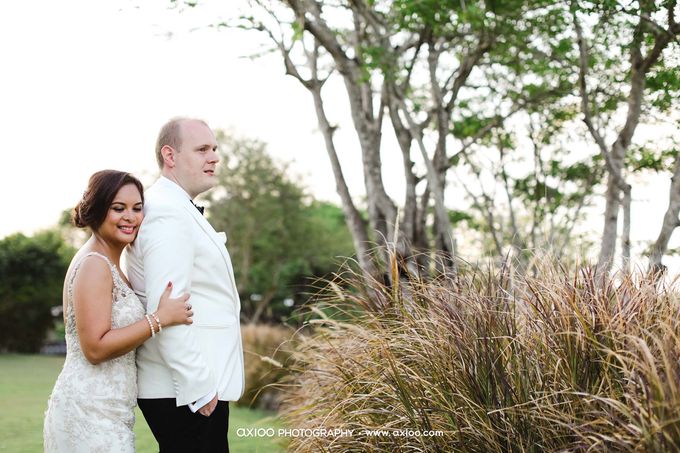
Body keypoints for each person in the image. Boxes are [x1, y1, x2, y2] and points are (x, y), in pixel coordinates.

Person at [43, 170, 194, 453]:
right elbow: (95, 349)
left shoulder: (110, 265)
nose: (130, 217)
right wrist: (160, 319)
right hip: (89, 412)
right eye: (118, 208)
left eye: (137, 208)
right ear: (98, 209)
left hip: (109, 412)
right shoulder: (94, 265)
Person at [125, 117, 245, 452]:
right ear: (170, 155)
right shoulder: (166, 212)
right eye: (202, 149)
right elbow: (167, 308)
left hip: (188, 387)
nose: (214, 157)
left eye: (215, 149)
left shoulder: (176, 207)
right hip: (183, 389)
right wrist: (198, 386)